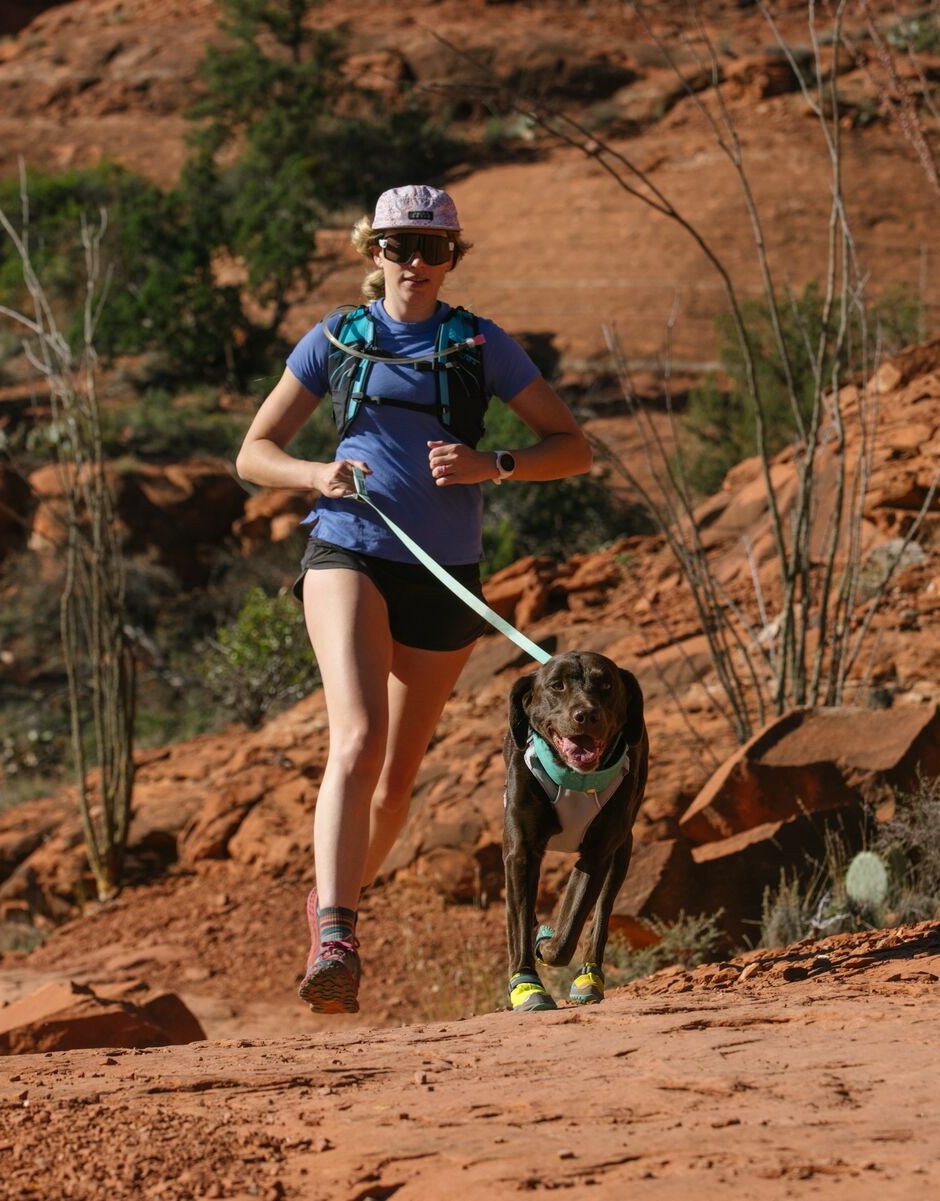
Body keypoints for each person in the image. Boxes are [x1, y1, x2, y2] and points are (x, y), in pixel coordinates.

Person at [235, 184, 595, 1014]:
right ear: (375, 251)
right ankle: (336, 936)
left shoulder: (479, 343)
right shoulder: (336, 339)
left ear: (452, 258)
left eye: (434, 248)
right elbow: (253, 451)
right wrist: (314, 473)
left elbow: (573, 448)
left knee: (395, 788)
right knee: (358, 737)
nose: (417, 263)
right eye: (401, 246)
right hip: (348, 548)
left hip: (446, 575)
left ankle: (334, 900)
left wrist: (492, 464)